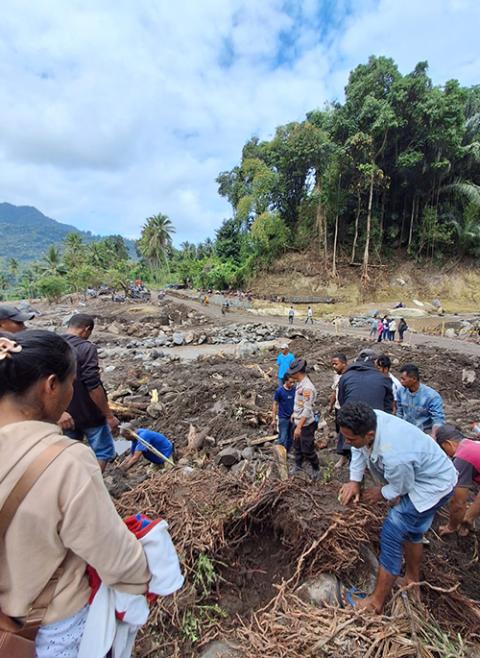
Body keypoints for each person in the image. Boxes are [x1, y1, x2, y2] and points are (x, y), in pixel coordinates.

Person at [0, 330, 151, 656]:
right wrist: (146, 574)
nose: (72, 392)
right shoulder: (66, 460)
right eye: (71, 383)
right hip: (52, 631)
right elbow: (117, 559)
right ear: (51, 385)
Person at [338, 401, 457, 613]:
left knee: (392, 531)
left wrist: (381, 493)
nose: (348, 442)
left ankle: (375, 603)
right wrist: (355, 480)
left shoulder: (394, 452)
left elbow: (403, 486)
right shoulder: (366, 419)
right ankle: (412, 581)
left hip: (432, 485)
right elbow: (357, 448)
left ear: (370, 435)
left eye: (351, 439)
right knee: (412, 533)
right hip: (423, 474)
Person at [61, 314, 119, 472]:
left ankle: (72, 488)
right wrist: (108, 416)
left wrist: (58, 412)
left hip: (64, 414)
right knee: (103, 451)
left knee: (70, 453)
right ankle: (92, 485)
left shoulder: (53, 345)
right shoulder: (86, 348)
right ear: (86, 330)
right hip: (89, 413)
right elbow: (92, 385)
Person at [436, 425, 480, 536]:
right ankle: (468, 521)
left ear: (448, 444)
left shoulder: (462, 458)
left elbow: (458, 503)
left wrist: (451, 526)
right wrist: (468, 518)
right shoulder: (471, 443)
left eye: (443, 449)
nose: (446, 454)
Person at [286, 358, 320, 480]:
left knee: (307, 449)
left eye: (292, 372)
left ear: (298, 372)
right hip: (297, 420)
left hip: (305, 425)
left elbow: (307, 409)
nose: (290, 374)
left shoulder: (307, 388)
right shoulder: (300, 383)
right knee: (297, 446)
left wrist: (299, 427)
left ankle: (315, 467)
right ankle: (298, 465)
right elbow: (299, 403)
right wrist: (294, 414)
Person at [397, 364, 445, 437]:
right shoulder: (401, 392)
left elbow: (438, 419)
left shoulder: (431, 396)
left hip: (424, 433)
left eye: (403, 379)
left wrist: (433, 435)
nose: (401, 381)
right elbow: (399, 412)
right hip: (406, 430)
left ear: (414, 379)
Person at [327, 353, 349, 468]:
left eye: (336, 364)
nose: (334, 366)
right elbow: (334, 392)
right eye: (332, 364)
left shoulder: (350, 377)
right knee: (339, 431)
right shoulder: (336, 376)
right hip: (338, 407)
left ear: (344, 364)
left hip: (347, 409)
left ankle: (344, 457)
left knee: (345, 432)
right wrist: (330, 405)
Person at [271, 374, 296, 453]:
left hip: (292, 417)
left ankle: (286, 453)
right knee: (282, 437)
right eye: (290, 382)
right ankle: (278, 452)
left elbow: (298, 403)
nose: (292, 384)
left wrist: (295, 413)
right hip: (283, 418)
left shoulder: (294, 390)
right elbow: (275, 404)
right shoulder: (279, 391)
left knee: (290, 437)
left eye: (293, 382)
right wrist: (273, 419)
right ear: (285, 381)